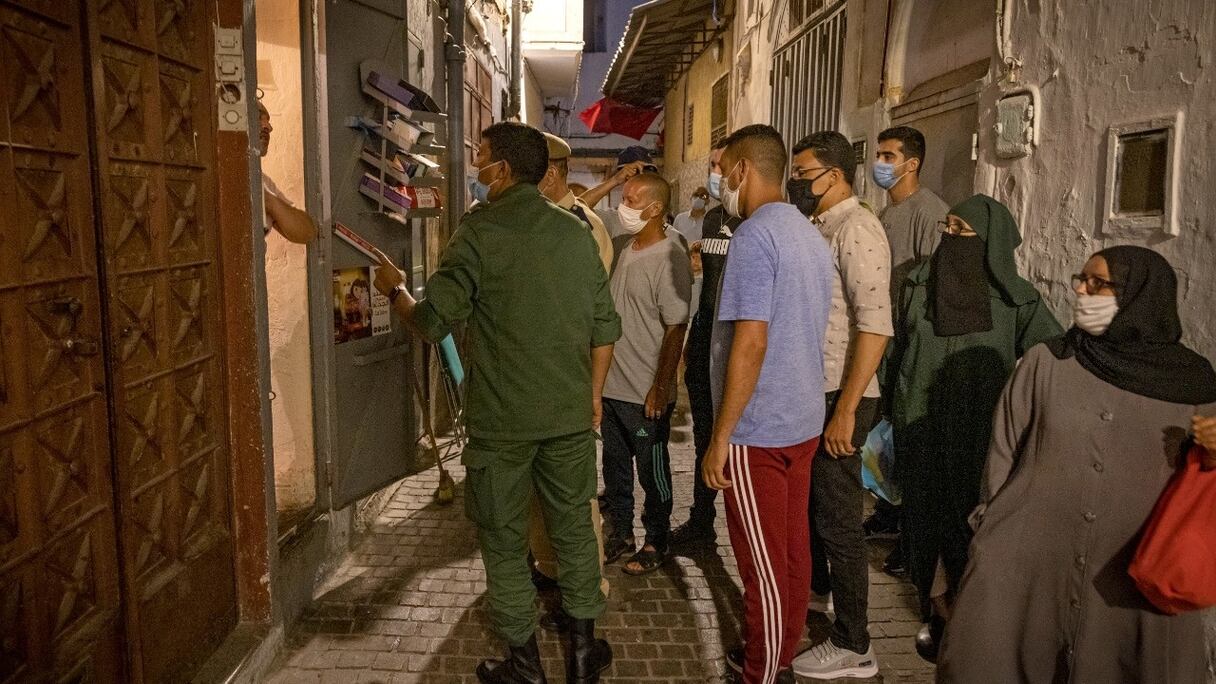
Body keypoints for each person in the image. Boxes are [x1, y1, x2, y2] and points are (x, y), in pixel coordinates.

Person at [371, 121, 618, 683]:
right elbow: (605, 327)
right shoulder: (577, 234)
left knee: (505, 542)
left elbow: (435, 322)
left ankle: (526, 668)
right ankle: (583, 659)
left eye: (480, 159)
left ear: (502, 170)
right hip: (568, 418)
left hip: (501, 426)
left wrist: (396, 290)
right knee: (574, 532)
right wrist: (593, 398)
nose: (476, 169)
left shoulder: (477, 233)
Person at [937, 246, 1216, 683]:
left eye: (1098, 283)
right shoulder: (1047, 362)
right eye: (1080, 280)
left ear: (1140, 294)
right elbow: (1004, 451)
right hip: (1028, 565)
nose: (1082, 292)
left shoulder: (1192, 383)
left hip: (1130, 577)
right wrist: (987, 530)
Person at [884, 194, 1062, 659]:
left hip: (979, 435)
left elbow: (1055, 357)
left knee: (969, 528)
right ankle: (936, 611)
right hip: (919, 427)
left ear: (989, 243)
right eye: (947, 228)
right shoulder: (917, 287)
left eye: (962, 232)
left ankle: (967, 622)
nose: (950, 238)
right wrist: (887, 410)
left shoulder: (1016, 301)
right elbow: (895, 351)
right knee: (921, 524)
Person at [702, 124, 833, 684]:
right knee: (791, 551)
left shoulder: (755, 237)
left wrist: (720, 435)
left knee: (762, 566)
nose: (721, 180)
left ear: (742, 170)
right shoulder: (809, 234)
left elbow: (750, 342)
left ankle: (764, 669)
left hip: (759, 430)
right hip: (801, 418)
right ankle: (776, 647)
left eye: (724, 168)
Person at [786, 131, 892, 681]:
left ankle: (856, 644)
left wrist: (847, 409)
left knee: (839, 521)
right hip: (817, 388)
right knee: (815, 512)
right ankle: (824, 605)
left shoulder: (858, 229)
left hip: (842, 392)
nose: (798, 181)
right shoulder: (818, 226)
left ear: (835, 174)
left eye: (804, 172)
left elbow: (875, 326)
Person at [527, 132, 612, 626]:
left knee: (574, 496)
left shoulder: (582, 226)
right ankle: (551, 567)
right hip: (538, 377)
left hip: (568, 375)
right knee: (538, 491)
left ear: (553, 172)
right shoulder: (536, 222)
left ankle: (587, 588)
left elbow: (590, 311)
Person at [600, 173, 692, 575]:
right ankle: (620, 533)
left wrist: (660, 387)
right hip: (613, 388)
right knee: (615, 470)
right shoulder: (625, 248)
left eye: (633, 200)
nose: (625, 206)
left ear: (655, 209)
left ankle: (657, 540)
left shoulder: (670, 255)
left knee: (652, 471)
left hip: (645, 393)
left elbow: (676, 327)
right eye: (624, 198)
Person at [870, 125, 948, 574]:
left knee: (908, 440)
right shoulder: (886, 213)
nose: (880, 163)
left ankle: (910, 537)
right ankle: (887, 516)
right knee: (884, 438)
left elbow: (931, 289)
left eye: (888, 155)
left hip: (907, 341)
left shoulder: (929, 213)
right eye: (878, 154)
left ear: (911, 163)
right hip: (884, 339)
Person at [670, 144, 743, 548]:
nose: (714, 173)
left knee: (734, 441)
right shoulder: (712, 219)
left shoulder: (756, 222)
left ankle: (741, 528)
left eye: (721, 166)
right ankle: (702, 522)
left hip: (738, 348)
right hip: (704, 342)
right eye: (713, 166)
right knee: (703, 436)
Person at [258, 101, 317, 243]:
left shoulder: (263, 182)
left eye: (268, 121)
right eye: (258, 117)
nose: (269, 127)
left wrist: (269, 201)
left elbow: (306, 232)